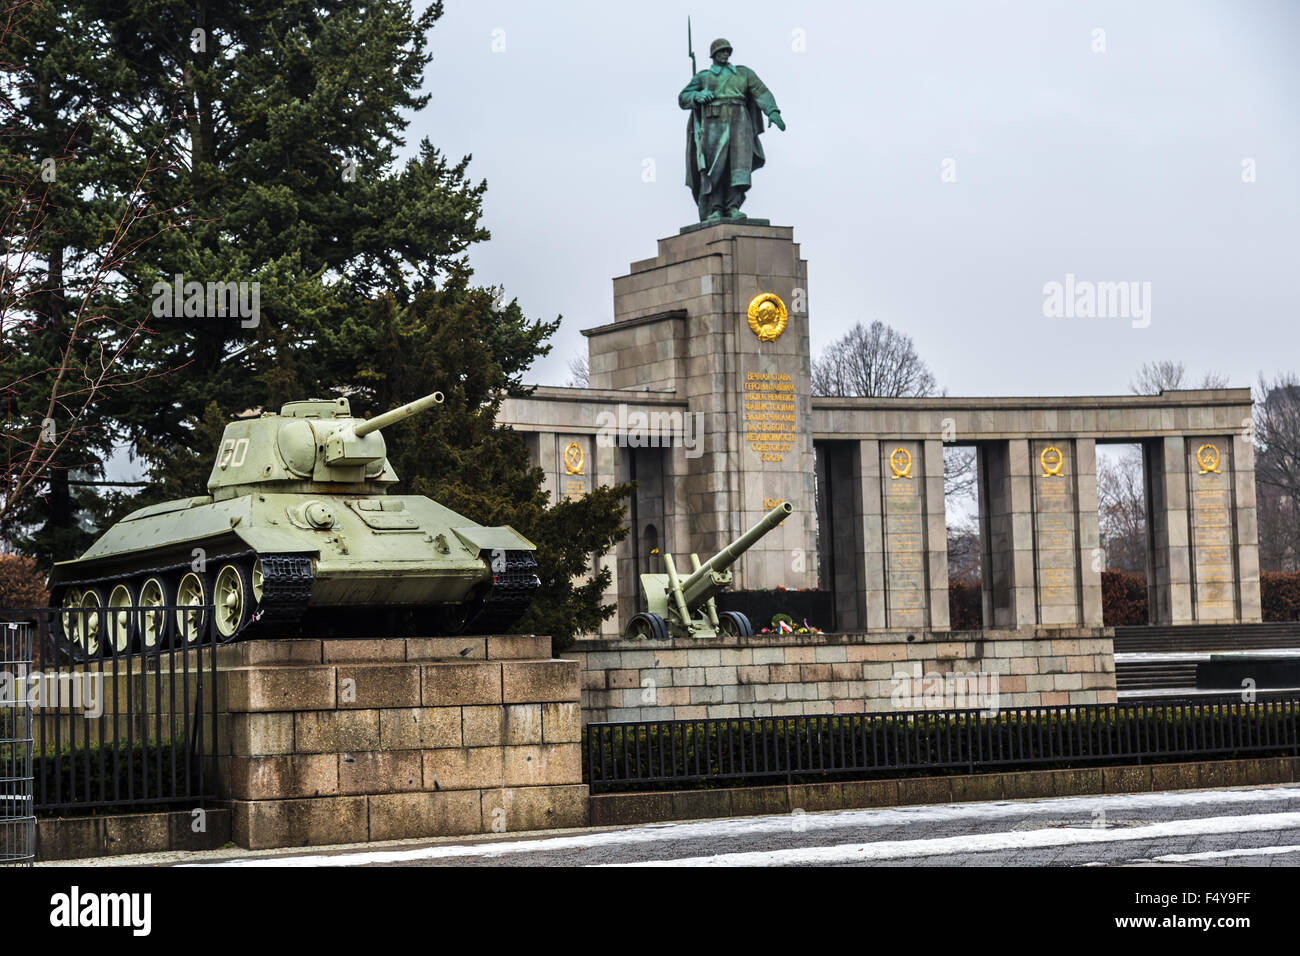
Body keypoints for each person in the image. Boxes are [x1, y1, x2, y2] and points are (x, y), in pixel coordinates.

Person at [679, 38, 786, 221]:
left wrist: (772, 111)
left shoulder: (743, 74)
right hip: (713, 123)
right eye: (721, 51)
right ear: (713, 55)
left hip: (740, 122)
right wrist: (697, 95)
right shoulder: (704, 77)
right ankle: (715, 208)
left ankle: (733, 206)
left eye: (728, 51)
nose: (725, 54)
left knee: (738, 167)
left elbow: (761, 92)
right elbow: (683, 98)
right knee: (715, 168)